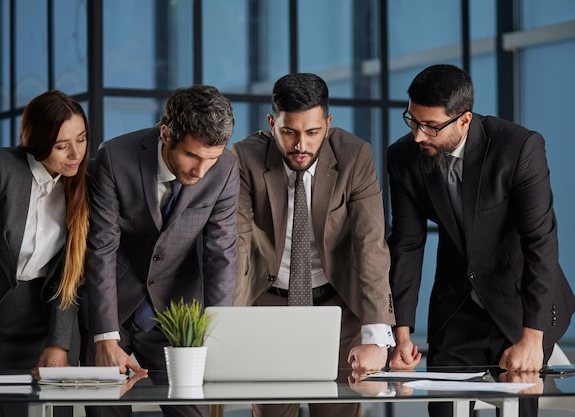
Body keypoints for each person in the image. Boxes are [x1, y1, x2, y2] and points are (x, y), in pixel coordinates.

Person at [387, 64, 575, 417]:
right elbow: (407, 245)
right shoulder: (403, 158)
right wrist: (401, 334)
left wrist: (532, 338)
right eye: (412, 120)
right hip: (457, 305)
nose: (418, 136)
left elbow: (540, 242)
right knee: (443, 410)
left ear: (464, 119)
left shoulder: (518, 148)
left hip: (520, 303)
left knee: (517, 411)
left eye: (430, 126)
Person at [231, 73, 396, 417]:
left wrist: (376, 337)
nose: (301, 145)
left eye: (312, 132)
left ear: (328, 123)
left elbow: (370, 246)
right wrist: (226, 329)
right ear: (272, 122)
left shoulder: (355, 156)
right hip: (270, 308)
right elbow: (236, 246)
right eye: (289, 132)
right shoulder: (244, 158)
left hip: (337, 308)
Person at [82, 84, 238, 417]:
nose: (200, 171)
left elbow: (221, 254)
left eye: (210, 159)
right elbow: (101, 249)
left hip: (177, 312)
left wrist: (216, 335)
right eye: (192, 156)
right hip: (114, 307)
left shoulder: (224, 169)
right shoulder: (114, 157)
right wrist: (105, 337)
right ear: (165, 134)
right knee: (106, 411)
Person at [0, 90, 89, 416]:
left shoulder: (87, 178)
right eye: (61, 145)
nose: (75, 154)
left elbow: (72, 272)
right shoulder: (1, 166)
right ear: (38, 143)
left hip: (53, 326)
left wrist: (59, 344)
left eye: (81, 139)